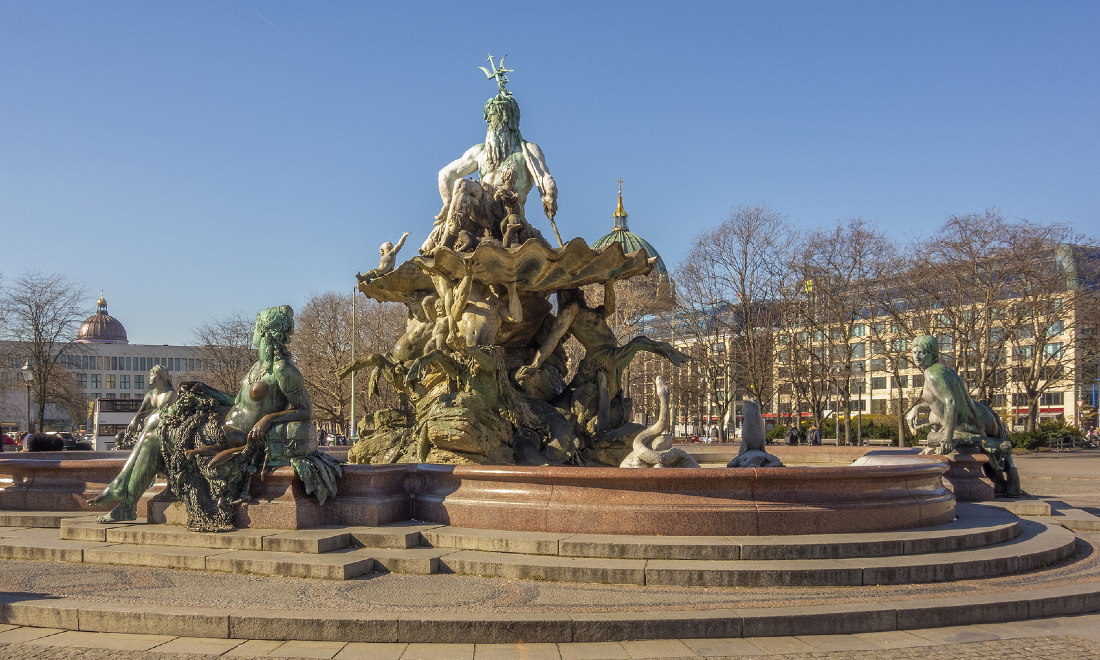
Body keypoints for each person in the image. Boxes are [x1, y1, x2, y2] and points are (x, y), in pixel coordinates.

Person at [89, 305, 314, 522]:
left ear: (264, 332)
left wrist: (269, 418)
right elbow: (237, 402)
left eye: (256, 327)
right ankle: (122, 491)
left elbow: (306, 411)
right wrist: (206, 389)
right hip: (223, 421)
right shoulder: (257, 367)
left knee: (155, 437)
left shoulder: (283, 370)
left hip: (234, 435)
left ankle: (125, 499)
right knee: (157, 420)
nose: (253, 332)